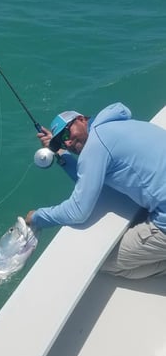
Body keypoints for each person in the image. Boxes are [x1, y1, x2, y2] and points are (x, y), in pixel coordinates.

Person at [25, 102, 166, 279]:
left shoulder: (95, 146)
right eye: (62, 141)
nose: (67, 142)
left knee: (101, 263)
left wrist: (37, 217)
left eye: (67, 133)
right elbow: (95, 182)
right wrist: (61, 153)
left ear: (81, 119)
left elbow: (78, 212)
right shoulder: (113, 125)